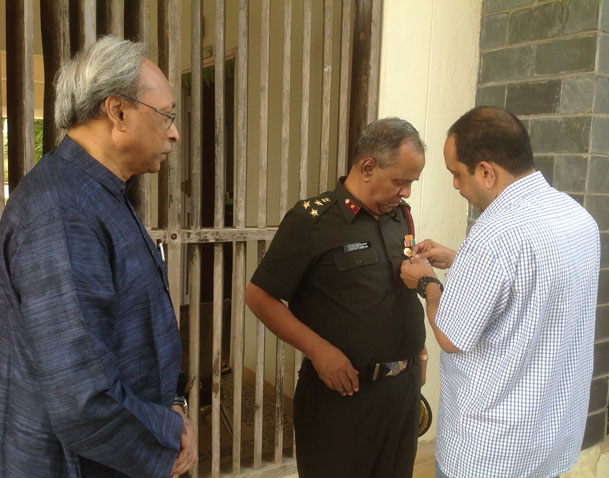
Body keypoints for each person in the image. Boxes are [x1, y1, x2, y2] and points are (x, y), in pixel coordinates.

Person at [0, 36, 197, 477]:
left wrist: (174, 405)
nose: (174, 132)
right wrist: (166, 438)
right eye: (166, 114)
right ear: (118, 111)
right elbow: (82, 400)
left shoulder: (97, 192)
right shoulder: (61, 212)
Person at [400, 106, 600, 478]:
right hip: (551, 437)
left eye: (457, 174)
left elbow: (450, 336)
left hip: (491, 451)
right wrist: (459, 260)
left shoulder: (494, 236)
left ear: (487, 172)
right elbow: (529, 283)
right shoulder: (575, 217)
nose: (456, 186)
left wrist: (427, 283)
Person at [245, 117, 428, 478]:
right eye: (400, 181)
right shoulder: (312, 220)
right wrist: (318, 350)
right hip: (343, 398)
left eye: (411, 183)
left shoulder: (399, 218)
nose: (406, 192)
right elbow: (259, 296)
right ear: (367, 166)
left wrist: (418, 351)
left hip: (402, 393)